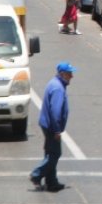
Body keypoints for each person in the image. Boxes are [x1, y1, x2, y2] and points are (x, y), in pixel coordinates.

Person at [30, 62, 75, 192]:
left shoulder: (55, 83)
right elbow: (55, 112)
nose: (72, 76)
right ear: (63, 74)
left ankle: (51, 182)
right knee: (55, 154)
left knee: (50, 153)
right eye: (69, 73)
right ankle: (36, 174)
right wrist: (56, 130)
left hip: (47, 124)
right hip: (51, 126)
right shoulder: (58, 89)